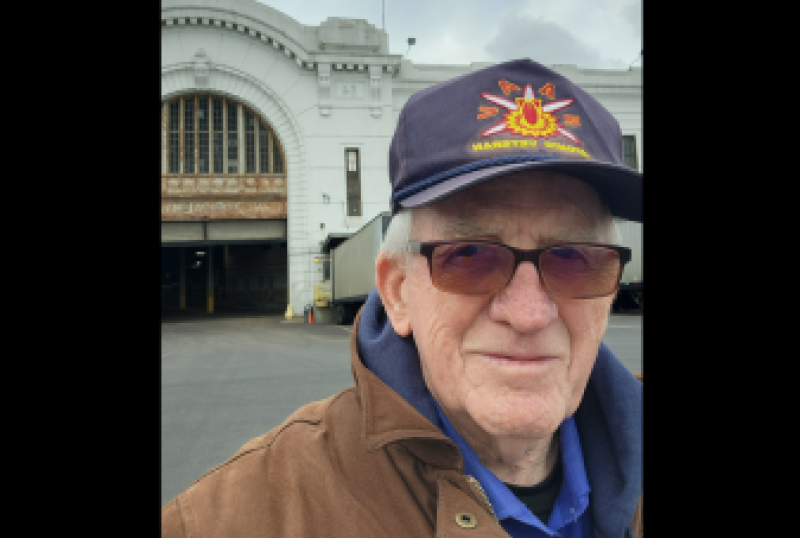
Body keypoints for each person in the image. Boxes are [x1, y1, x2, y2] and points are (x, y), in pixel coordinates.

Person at [162, 58, 643, 538]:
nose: (529, 314)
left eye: (574, 259)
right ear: (397, 293)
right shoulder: (239, 516)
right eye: (470, 255)